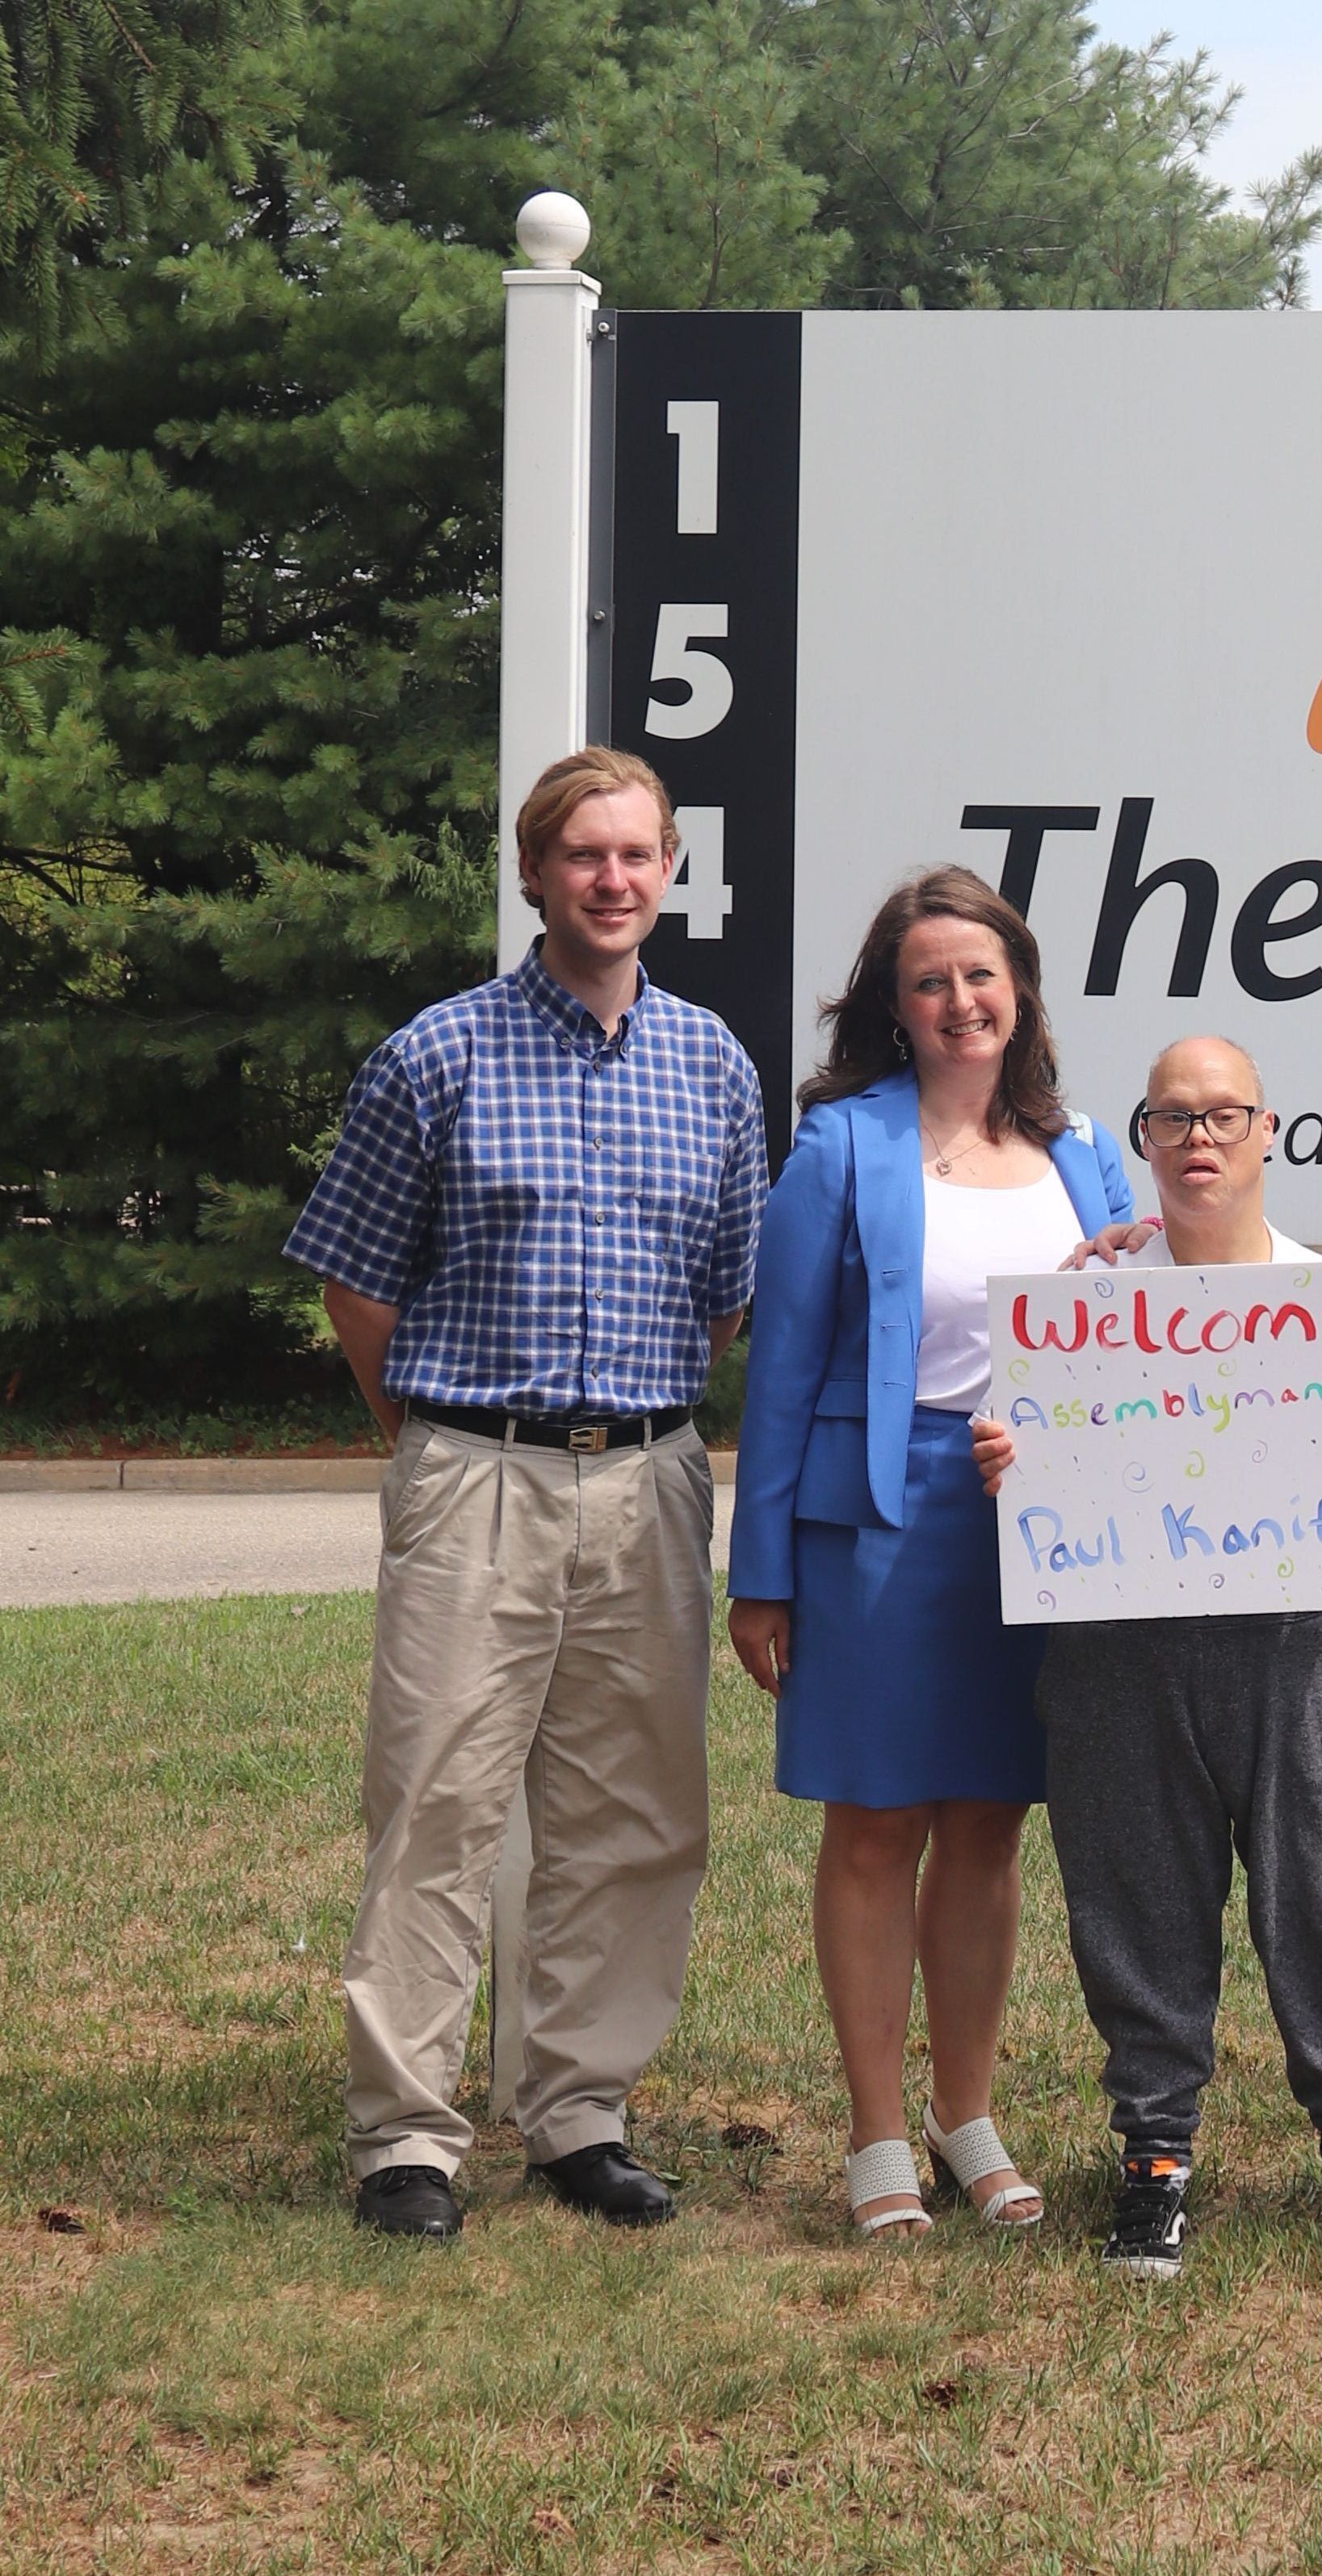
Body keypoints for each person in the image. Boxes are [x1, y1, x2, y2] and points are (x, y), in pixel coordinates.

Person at [283, 746, 767, 2239]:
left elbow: (723, 1309)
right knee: (435, 1802)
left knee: (635, 1814)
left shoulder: (715, 1067)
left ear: (670, 873)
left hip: (652, 1476)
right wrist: (437, 1440)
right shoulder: (437, 1053)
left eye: (638, 857)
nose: (613, 882)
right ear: (534, 873)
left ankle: (578, 2112)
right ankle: (406, 2138)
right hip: (473, 1468)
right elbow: (356, 1285)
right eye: (583, 857)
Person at [975, 1036, 1322, 2283]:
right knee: (1132, 1907)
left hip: (1300, 1654)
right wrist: (1006, 1463)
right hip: (1117, 1650)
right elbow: (1028, 1453)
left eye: (1222, 1115)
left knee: (1320, 1909)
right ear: (1142, 1140)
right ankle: (1154, 2162)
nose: (1198, 1139)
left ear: (1267, 1131)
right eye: (1171, 1118)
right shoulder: (1083, 1304)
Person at [727, 867, 1135, 2238]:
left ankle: (970, 2119)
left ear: (1018, 988)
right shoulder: (844, 1145)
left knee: (986, 1825)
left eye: (981, 975)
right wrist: (763, 1571)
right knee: (876, 1823)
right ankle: (878, 2138)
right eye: (929, 982)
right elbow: (780, 1370)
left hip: (1038, 1519)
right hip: (879, 1518)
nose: (960, 1001)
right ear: (892, 1010)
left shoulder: (1084, 1149)